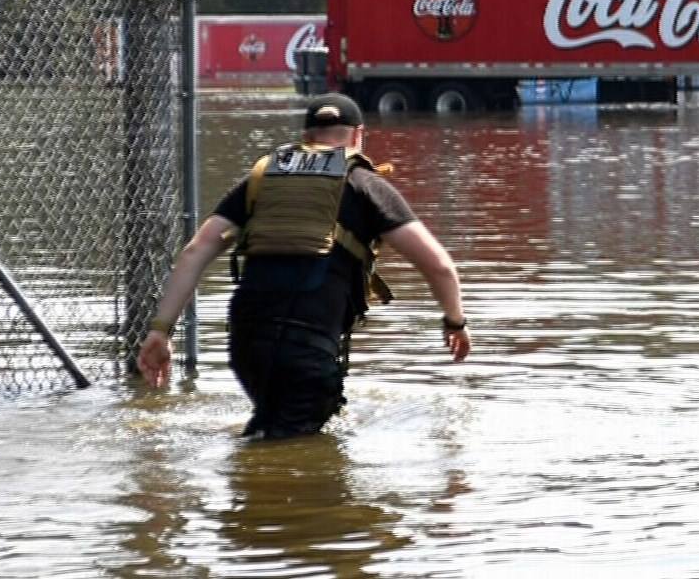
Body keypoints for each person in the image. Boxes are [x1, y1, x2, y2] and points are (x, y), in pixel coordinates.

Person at [136, 93, 471, 439]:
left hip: (247, 342)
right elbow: (440, 267)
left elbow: (195, 252)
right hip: (307, 348)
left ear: (306, 137)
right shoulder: (366, 184)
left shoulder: (263, 178)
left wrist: (161, 330)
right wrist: (455, 322)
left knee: (269, 429)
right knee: (290, 458)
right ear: (358, 136)